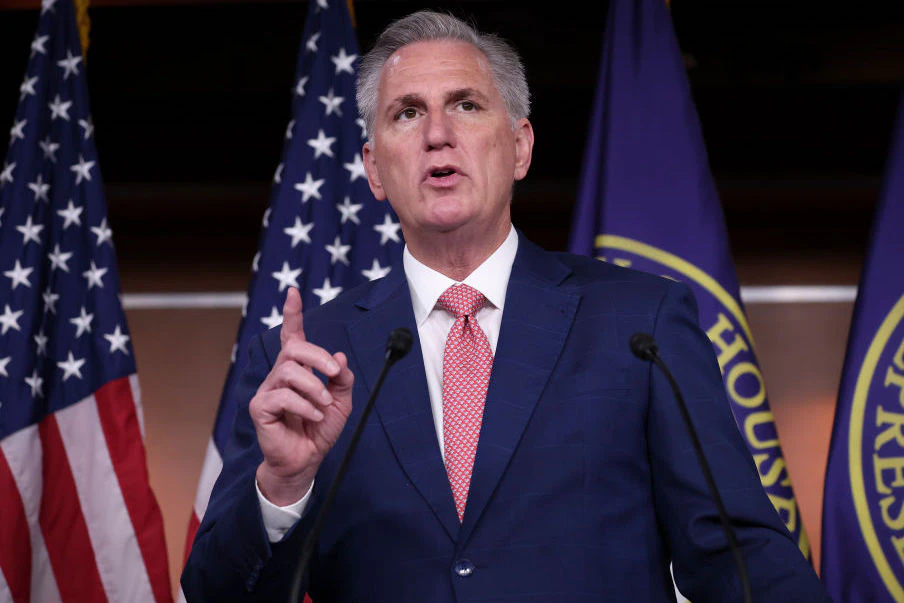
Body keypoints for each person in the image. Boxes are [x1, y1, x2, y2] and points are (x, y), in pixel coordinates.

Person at [181, 10, 829, 602]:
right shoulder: (305, 358)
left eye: (465, 105)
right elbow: (216, 592)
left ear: (520, 146)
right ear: (374, 169)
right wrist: (281, 488)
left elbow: (739, 557)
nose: (437, 134)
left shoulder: (639, 324)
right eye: (407, 112)